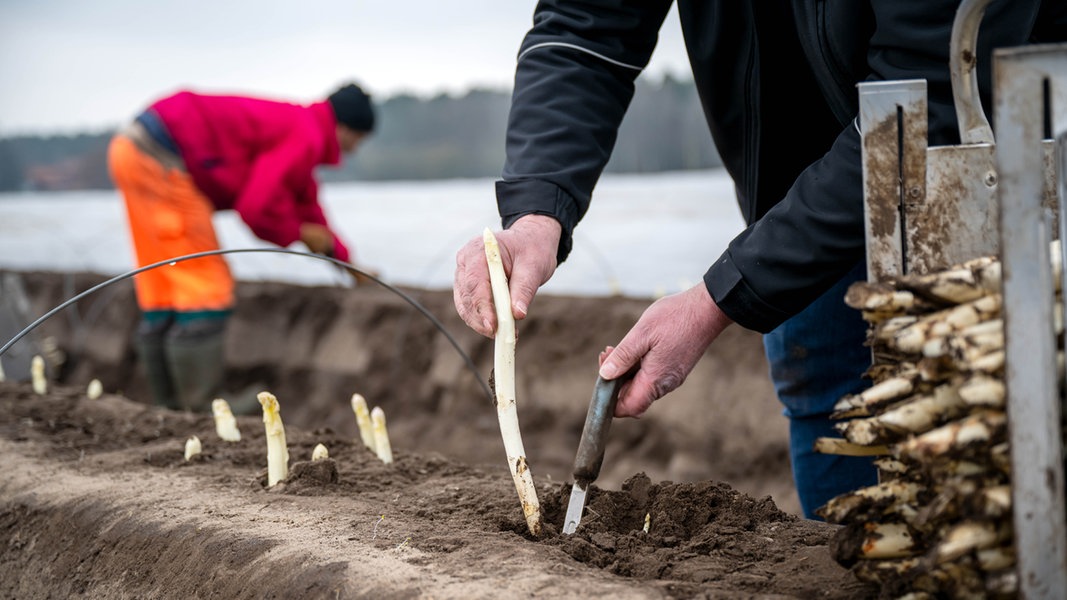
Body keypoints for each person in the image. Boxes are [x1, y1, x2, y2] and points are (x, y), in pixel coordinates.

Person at [454, 1, 1067, 519]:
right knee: (828, 397)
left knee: (997, 432)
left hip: (990, 166)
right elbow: (587, 26)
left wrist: (719, 297)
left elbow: (929, 106)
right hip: (798, 182)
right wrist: (537, 211)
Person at [108, 82, 376, 413]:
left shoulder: (299, 125)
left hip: (131, 149)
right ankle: (203, 406)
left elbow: (307, 205)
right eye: (358, 140)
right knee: (206, 285)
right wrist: (297, 232)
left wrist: (348, 263)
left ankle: (169, 406)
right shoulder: (306, 135)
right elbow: (256, 207)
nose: (354, 150)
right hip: (167, 157)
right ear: (346, 128)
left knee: (164, 283)